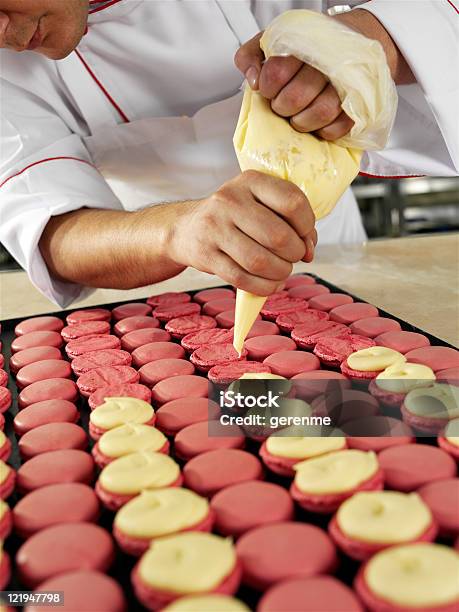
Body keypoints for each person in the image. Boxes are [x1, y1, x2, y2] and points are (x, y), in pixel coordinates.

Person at [0, 1, 457, 307]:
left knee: (337, 420)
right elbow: (52, 230)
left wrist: (370, 40)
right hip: (160, 293)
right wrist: (177, 231)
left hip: (333, 262)